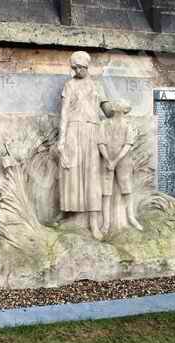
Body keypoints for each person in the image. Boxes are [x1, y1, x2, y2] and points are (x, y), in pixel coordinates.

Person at [57, 51, 106, 239]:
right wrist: (61, 140)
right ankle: (75, 216)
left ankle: (94, 222)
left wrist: (117, 112)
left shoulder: (97, 85)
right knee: (73, 174)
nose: (77, 70)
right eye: (74, 68)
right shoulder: (69, 85)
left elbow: (106, 107)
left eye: (80, 67)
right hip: (73, 131)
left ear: (88, 66)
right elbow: (64, 113)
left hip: (92, 131)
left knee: (92, 174)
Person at [98, 100, 143, 232]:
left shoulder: (128, 125)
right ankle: (106, 223)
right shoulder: (104, 124)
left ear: (123, 110)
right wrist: (108, 159)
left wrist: (115, 161)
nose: (113, 105)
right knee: (106, 192)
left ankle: (131, 217)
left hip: (123, 161)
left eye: (117, 103)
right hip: (106, 159)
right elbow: (101, 142)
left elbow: (127, 145)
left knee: (126, 189)